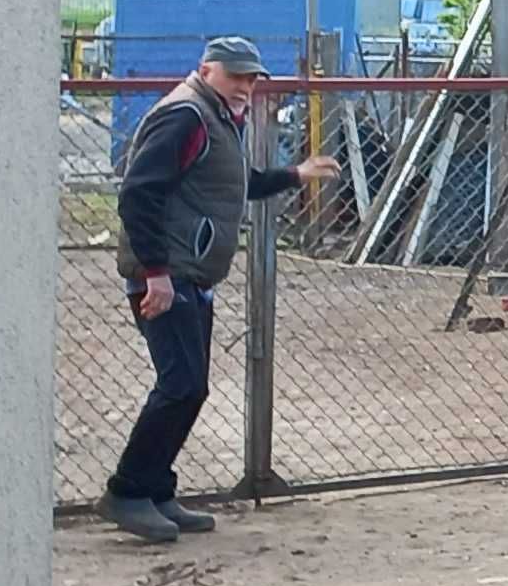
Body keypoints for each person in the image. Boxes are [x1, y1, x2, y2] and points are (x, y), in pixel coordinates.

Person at [103, 36, 338, 541]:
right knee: (179, 384)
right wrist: (156, 273)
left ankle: (158, 490)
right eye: (237, 77)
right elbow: (138, 194)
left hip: (191, 273)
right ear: (207, 70)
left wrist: (294, 174)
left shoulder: (216, 118)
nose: (246, 87)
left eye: (253, 79)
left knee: (191, 387)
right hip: (169, 274)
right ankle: (127, 491)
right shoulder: (185, 116)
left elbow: (234, 182)